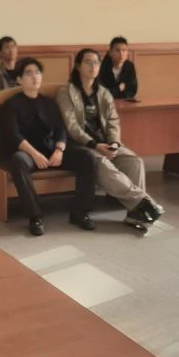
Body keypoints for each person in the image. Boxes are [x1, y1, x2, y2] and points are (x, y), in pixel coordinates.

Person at [57, 49, 163, 231]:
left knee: (134, 161)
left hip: (105, 143)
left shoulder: (104, 93)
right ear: (78, 66)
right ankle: (144, 202)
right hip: (83, 145)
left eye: (96, 62)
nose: (93, 66)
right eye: (88, 62)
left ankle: (134, 213)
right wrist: (95, 145)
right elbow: (72, 126)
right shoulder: (66, 92)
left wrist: (114, 143)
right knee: (102, 164)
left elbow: (113, 121)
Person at [4, 57, 97, 236]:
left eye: (38, 72)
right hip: (28, 153)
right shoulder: (11, 105)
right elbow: (14, 136)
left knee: (88, 157)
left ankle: (80, 212)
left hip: (52, 150)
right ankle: (35, 216)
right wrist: (35, 154)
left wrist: (59, 149)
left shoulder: (49, 102)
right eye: (29, 73)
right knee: (18, 161)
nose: (35, 77)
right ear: (19, 79)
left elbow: (61, 129)